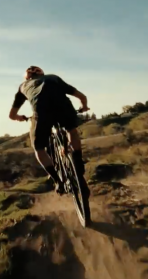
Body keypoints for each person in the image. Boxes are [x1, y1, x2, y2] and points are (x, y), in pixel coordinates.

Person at [9, 66, 90, 196]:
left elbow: (12, 115)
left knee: (39, 148)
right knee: (72, 130)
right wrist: (84, 107)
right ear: (42, 74)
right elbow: (82, 96)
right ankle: (78, 163)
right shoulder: (53, 78)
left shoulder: (23, 86)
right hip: (64, 106)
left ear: (27, 77)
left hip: (42, 111)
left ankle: (57, 180)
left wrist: (21, 118)